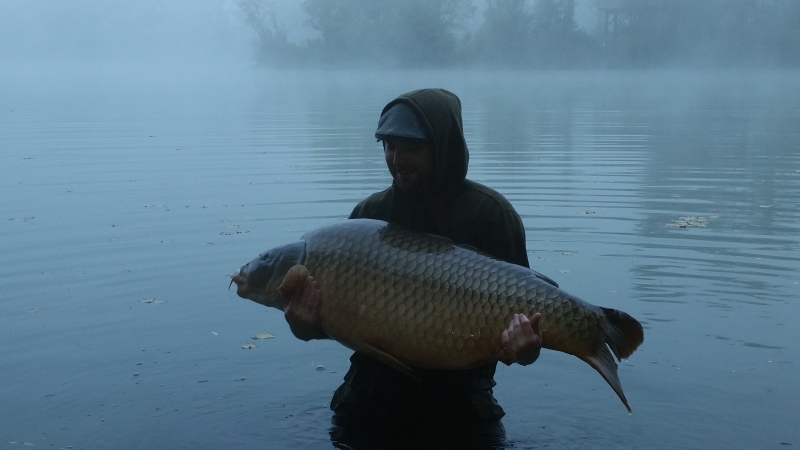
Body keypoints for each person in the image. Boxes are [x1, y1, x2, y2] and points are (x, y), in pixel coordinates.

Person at [282, 88, 555, 449]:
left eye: (411, 148)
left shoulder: (490, 216)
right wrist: (303, 325)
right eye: (389, 146)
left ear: (443, 147)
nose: (397, 159)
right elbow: (333, 323)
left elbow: (524, 327)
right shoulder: (366, 218)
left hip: (459, 407)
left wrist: (527, 349)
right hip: (370, 399)